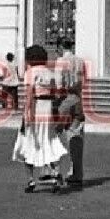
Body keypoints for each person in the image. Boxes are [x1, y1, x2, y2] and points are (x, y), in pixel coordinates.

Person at [12, 44, 69, 193]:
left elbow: (30, 94)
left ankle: (31, 180)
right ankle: (56, 174)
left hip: (36, 108)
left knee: (27, 143)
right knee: (49, 141)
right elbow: (55, 94)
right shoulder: (49, 73)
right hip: (48, 109)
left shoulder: (30, 72)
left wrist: (27, 115)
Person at [54, 57, 86, 189]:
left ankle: (55, 173)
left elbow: (59, 82)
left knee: (57, 138)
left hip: (67, 99)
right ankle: (76, 173)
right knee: (76, 140)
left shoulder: (61, 61)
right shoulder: (79, 61)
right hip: (76, 98)